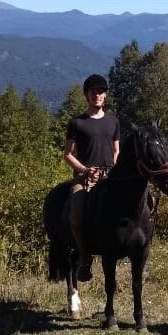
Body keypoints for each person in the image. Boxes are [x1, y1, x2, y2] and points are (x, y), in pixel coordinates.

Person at [64, 73, 120, 282]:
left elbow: (116, 150)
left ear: (105, 95)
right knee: (76, 215)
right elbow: (67, 154)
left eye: (101, 92)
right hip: (84, 177)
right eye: (93, 92)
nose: (97, 95)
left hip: (109, 176)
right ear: (86, 95)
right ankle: (85, 258)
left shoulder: (113, 121)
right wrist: (85, 170)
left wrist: (113, 169)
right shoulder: (77, 123)